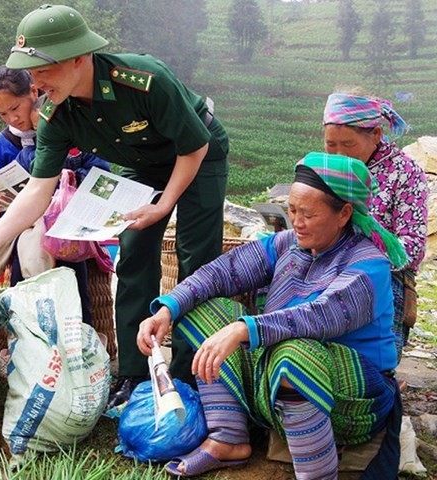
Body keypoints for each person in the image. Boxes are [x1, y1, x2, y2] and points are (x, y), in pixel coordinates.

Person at [0, 5, 230, 408]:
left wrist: (164, 205)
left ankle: (189, 372)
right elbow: (38, 190)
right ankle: (135, 374)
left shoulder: (144, 80)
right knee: (134, 256)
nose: (36, 84)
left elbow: (193, 146)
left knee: (196, 258)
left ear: (77, 58)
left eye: (42, 71)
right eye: (31, 75)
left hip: (197, 154)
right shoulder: (54, 112)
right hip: (141, 164)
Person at [138, 152, 406, 479]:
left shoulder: (368, 266)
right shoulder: (288, 244)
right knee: (201, 309)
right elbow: (224, 272)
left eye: (308, 213)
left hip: (353, 401)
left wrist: (242, 329)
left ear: (344, 214)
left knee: (294, 352)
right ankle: (228, 438)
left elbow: (318, 316)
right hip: (280, 384)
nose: (297, 221)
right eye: (292, 210)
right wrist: (168, 308)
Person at [0, 65, 112, 326]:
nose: (12, 119)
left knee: (63, 266)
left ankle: (77, 339)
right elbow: (4, 203)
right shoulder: (2, 146)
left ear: (33, 91)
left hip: (69, 225)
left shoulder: (71, 128)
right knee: (25, 259)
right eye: (3, 114)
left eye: (16, 108)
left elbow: (100, 174)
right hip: (22, 232)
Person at [323, 91, 428, 361]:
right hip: (327, 269)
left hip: (382, 279)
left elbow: (411, 249)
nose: (339, 153)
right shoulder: (326, 170)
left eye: (348, 144)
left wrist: (359, 256)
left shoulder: (405, 173)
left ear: (377, 134)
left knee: (370, 368)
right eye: (331, 144)